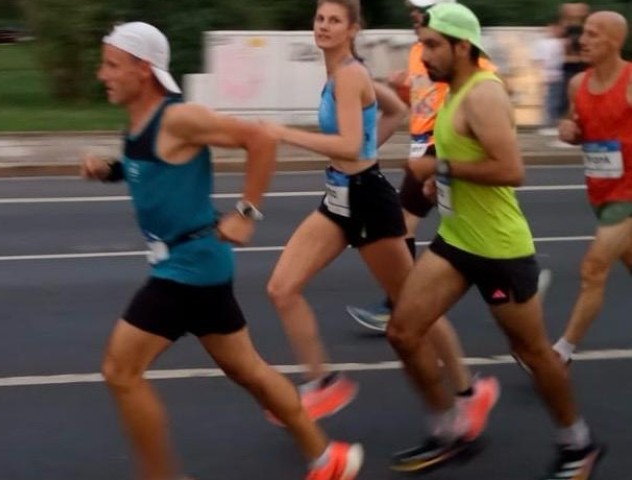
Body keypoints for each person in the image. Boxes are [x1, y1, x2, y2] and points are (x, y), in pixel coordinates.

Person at [83, 21, 363, 480]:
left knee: (120, 370)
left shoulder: (179, 117)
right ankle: (327, 457)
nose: (102, 74)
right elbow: (150, 167)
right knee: (249, 370)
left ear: (144, 69)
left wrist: (246, 212)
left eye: (112, 65)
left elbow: (262, 138)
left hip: (187, 267)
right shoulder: (141, 122)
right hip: (195, 265)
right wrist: (110, 170)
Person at [264, 0, 498, 442]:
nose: (325, 27)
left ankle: (469, 392)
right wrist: (368, 145)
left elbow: (350, 144)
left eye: (335, 20)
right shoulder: (348, 74)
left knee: (414, 308)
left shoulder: (350, 76)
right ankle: (323, 383)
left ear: (353, 29)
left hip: (369, 202)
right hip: (339, 199)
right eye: (320, 19)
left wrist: (283, 134)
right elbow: (395, 112)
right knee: (281, 288)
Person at [385, 4, 603, 478]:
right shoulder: (453, 90)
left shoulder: (484, 94)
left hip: (499, 251)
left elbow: (511, 171)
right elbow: (463, 152)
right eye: (424, 45)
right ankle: (449, 429)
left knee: (534, 354)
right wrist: (435, 183)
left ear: (464, 46)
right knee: (402, 331)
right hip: (457, 240)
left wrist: (438, 168)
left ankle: (577, 444)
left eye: (435, 45)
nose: (424, 56)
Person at [345, 0, 542, 331]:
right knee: (431, 223)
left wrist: (442, 163)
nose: (413, 13)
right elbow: (419, 101)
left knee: (403, 224)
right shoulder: (418, 52)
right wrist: (403, 90)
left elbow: (488, 88)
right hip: (427, 142)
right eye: (412, 8)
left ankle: (396, 303)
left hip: (441, 148)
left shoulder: (466, 63)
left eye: (421, 8)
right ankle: (513, 291)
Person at [553, 11, 632, 365]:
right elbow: (580, 125)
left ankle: (562, 352)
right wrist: (570, 131)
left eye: (593, 35)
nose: (582, 40)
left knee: (594, 267)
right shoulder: (577, 84)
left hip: (628, 194)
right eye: (583, 33)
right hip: (600, 191)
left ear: (615, 41)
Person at [534, 18, 565, 135]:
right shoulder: (543, 43)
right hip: (548, 74)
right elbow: (539, 60)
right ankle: (548, 124)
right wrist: (541, 75)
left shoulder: (561, 42)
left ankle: (553, 123)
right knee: (549, 100)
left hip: (559, 74)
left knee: (556, 100)